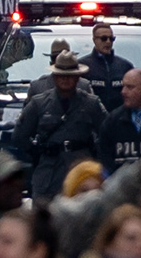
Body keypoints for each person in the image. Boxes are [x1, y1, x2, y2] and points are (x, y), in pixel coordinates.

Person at [10, 50, 107, 202]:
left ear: (78, 77)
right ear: (54, 77)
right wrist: (39, 153)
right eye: (61, 75)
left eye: (70, 75)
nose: (66, 79)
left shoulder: (91, 103)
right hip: (49, 170)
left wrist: (94, 156)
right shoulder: (39, 103)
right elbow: (19, 136)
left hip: (81, 169)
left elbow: (106, 134)